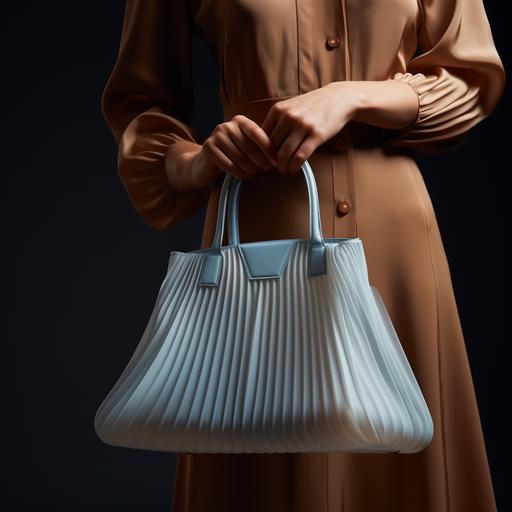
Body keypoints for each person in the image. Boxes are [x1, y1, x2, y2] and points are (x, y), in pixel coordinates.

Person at [101, 0, 506, 510]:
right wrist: (194, 161)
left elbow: (468, 78)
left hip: (392, 244)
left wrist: (351, 96)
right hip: (259, 231)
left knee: (402, 454)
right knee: (269, 462)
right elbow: (139, 102)